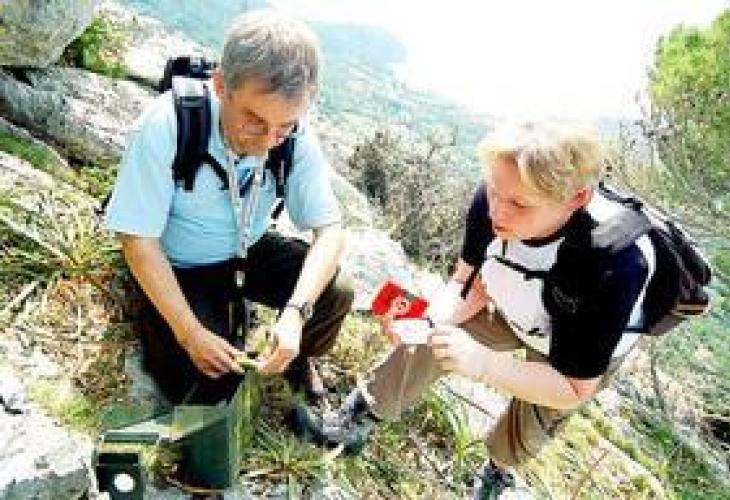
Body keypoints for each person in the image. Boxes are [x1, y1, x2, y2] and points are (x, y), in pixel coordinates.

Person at [294, 121, 655, 498]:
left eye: (520, 204)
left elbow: (573, 387)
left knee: (534, 418)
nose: (498, 212)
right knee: (434, 335)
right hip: (509, 302)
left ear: (576, 199)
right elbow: (468, 283)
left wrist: (482, 363)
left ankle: (498, 470)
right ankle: (359, 416)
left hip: (571, 344)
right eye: (496, 192)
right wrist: (426, 322)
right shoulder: (495, 197)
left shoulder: (615, 264)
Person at [104, 10, 353, 405]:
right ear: (221, 86)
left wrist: (295, 313)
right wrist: (190, 333)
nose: (268, 140)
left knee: (335, 291)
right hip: (178, 265)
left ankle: (294, 358)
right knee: (210, 383)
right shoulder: (169, 124)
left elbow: (331, 233)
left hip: (246, 249)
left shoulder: (293, 138)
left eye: (285, 126)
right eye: (254, 120)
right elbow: (138, 241)